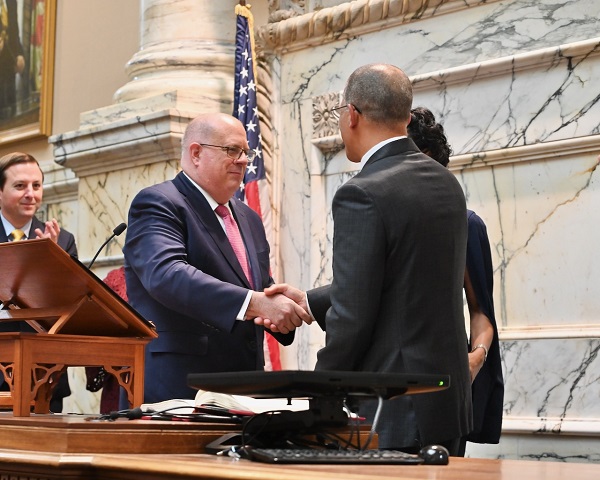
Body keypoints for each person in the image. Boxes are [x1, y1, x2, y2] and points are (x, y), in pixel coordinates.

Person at [260, 64, 472, 455]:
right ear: (406, 118)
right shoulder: (446, 183)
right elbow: (406, 282)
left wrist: (318, 392)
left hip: (391, 407)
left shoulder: (362, 192)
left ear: (351, 115)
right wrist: (309, 300)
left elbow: (354, 316)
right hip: (445, 403)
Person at [123, 112, 310, 404]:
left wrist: (284, 306)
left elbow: (255, 285)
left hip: (243, 388)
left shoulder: (248, 217)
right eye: (232, 150)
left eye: (246, 152)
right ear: (196, 153)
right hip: (180, 387)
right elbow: (166, 274)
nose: (244, 160)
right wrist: (255, 303)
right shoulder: (159, 203)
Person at [408, 106, 504, 454]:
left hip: (442, 385)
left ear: (428, 157)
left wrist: (475, 358)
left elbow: (482, 312)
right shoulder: (373, 213)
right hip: (381, 390)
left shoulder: (466, 224)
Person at [0, 151, 78, 412]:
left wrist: (51, 259)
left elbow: (69, 305)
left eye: (36, 186)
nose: (30, 194)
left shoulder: (62, 240)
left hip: (44, 375)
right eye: (20, 186)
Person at [0, 0, 26, 120]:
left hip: (9, 71)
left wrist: (20, 54)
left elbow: (15, 33)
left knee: (12, 119)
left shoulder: (11, 2)